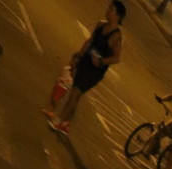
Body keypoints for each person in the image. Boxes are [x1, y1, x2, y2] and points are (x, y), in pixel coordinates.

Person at [47, 1, 124, 133]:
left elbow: (116, 58)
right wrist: (79, 55)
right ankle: (64, 122)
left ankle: (59, 121)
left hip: (95, 71)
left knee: (76, 93)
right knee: (73, 91)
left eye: (111, 9)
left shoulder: (116, 36)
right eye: (109, 7)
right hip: (85, 61)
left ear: (117, 16)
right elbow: (89, 42)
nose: (108, 10)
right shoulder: (100, 24)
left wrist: (101, 61)